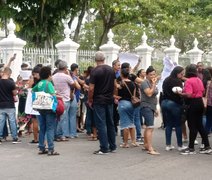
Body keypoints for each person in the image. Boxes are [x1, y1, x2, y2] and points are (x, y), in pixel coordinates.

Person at [179, 64, 212, 155]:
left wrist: (181, 93)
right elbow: (203, 91)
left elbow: (189, 94)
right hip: (200, 103)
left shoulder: (189, 81)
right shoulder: (199, 80)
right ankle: (207, 147)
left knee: (192, 126)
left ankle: (191, 148)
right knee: (200, 126)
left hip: (192, 103)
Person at [88, 51, 117, 155]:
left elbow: (91, 88)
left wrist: (90, 99)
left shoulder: (95, 71)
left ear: (95, 60)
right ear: (104, 59)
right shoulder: (111, 70)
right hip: (109, 99)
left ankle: (104, 147)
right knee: (110, 123)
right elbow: (114, 85)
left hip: (99, 99)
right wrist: (114, 95)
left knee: (101, 123)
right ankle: (112, 146)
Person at [32, 66, 59, 155]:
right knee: (50, 128)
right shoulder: (48, 84)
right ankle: (51, 148)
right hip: (49, 108)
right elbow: (52, 95)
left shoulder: (39, 83)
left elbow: (33, 91)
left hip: (40, 108)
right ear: (48, 75)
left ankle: (41, 147)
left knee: (42, 128)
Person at [161, 66, 186, 151]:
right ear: (177, 73)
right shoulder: (177, 81)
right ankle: (180, 145)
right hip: (174, 104)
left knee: (168, 124)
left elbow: (163, 91)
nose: (182, 75)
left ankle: (168, 145)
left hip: (164, 103)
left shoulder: (166, 79)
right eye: (181, 74)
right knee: (178, 125)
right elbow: (180, 93)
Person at [52, 61, 76, 141]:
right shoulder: (66, 77)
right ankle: (59, 135)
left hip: (56, 98)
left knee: (56, 118)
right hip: (65, 99)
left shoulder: (53, 76)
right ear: (65, 68)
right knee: (63, 118)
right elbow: (73, 85)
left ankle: (55, 134)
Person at [116, 68, 139, 148]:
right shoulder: (133, 84)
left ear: (121, 74)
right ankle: (134, 141)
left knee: (124, 124)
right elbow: (134, 95)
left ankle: (125, 143)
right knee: (131, 123)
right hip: (131, 104)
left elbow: (116, 91)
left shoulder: (120, 84)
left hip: (123, 103)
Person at [140, 66, 159, 155]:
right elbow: (149, 93)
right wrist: (154, 84)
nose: (153, 76)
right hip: (146, 106)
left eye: (154, 74)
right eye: (151, 75)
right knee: (150, 127)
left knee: (148, 126)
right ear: (147, 75)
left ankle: (146, 145)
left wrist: (155, 109)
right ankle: (150, 148)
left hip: (152, 106)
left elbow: (154, 96)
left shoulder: (152, 82)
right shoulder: (145, 83)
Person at [0, 67, 21, 144]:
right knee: (12, 121)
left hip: (1, 104)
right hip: (10, 104)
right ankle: (14, 137)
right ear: (9, 73)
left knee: (1, 122)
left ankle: (0, 137)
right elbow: (14, 93)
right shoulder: (11, 83)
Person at [205, 67, 212, 135]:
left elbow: (206, 93)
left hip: (209, 104)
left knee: (208, 119)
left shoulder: (209, 82)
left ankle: (207, 131)